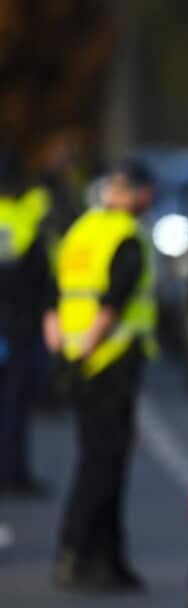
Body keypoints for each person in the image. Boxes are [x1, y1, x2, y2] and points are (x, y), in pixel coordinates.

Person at [46, 160, 156, 591]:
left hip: (77, 358)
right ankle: (77, 552)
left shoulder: (81, 232)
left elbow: (54, 298)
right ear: (134, 193)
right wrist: (88, 350)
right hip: (109, 360)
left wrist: (62, 355)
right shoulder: (126, 237)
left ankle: (109, 559)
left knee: (98, 459)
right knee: (103, 464)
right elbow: (112, 304)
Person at [0, 157, 52, 496]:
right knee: (14, 405)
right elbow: (40, 280)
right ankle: (13, 474)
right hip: (16, 327)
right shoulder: (23, 222)